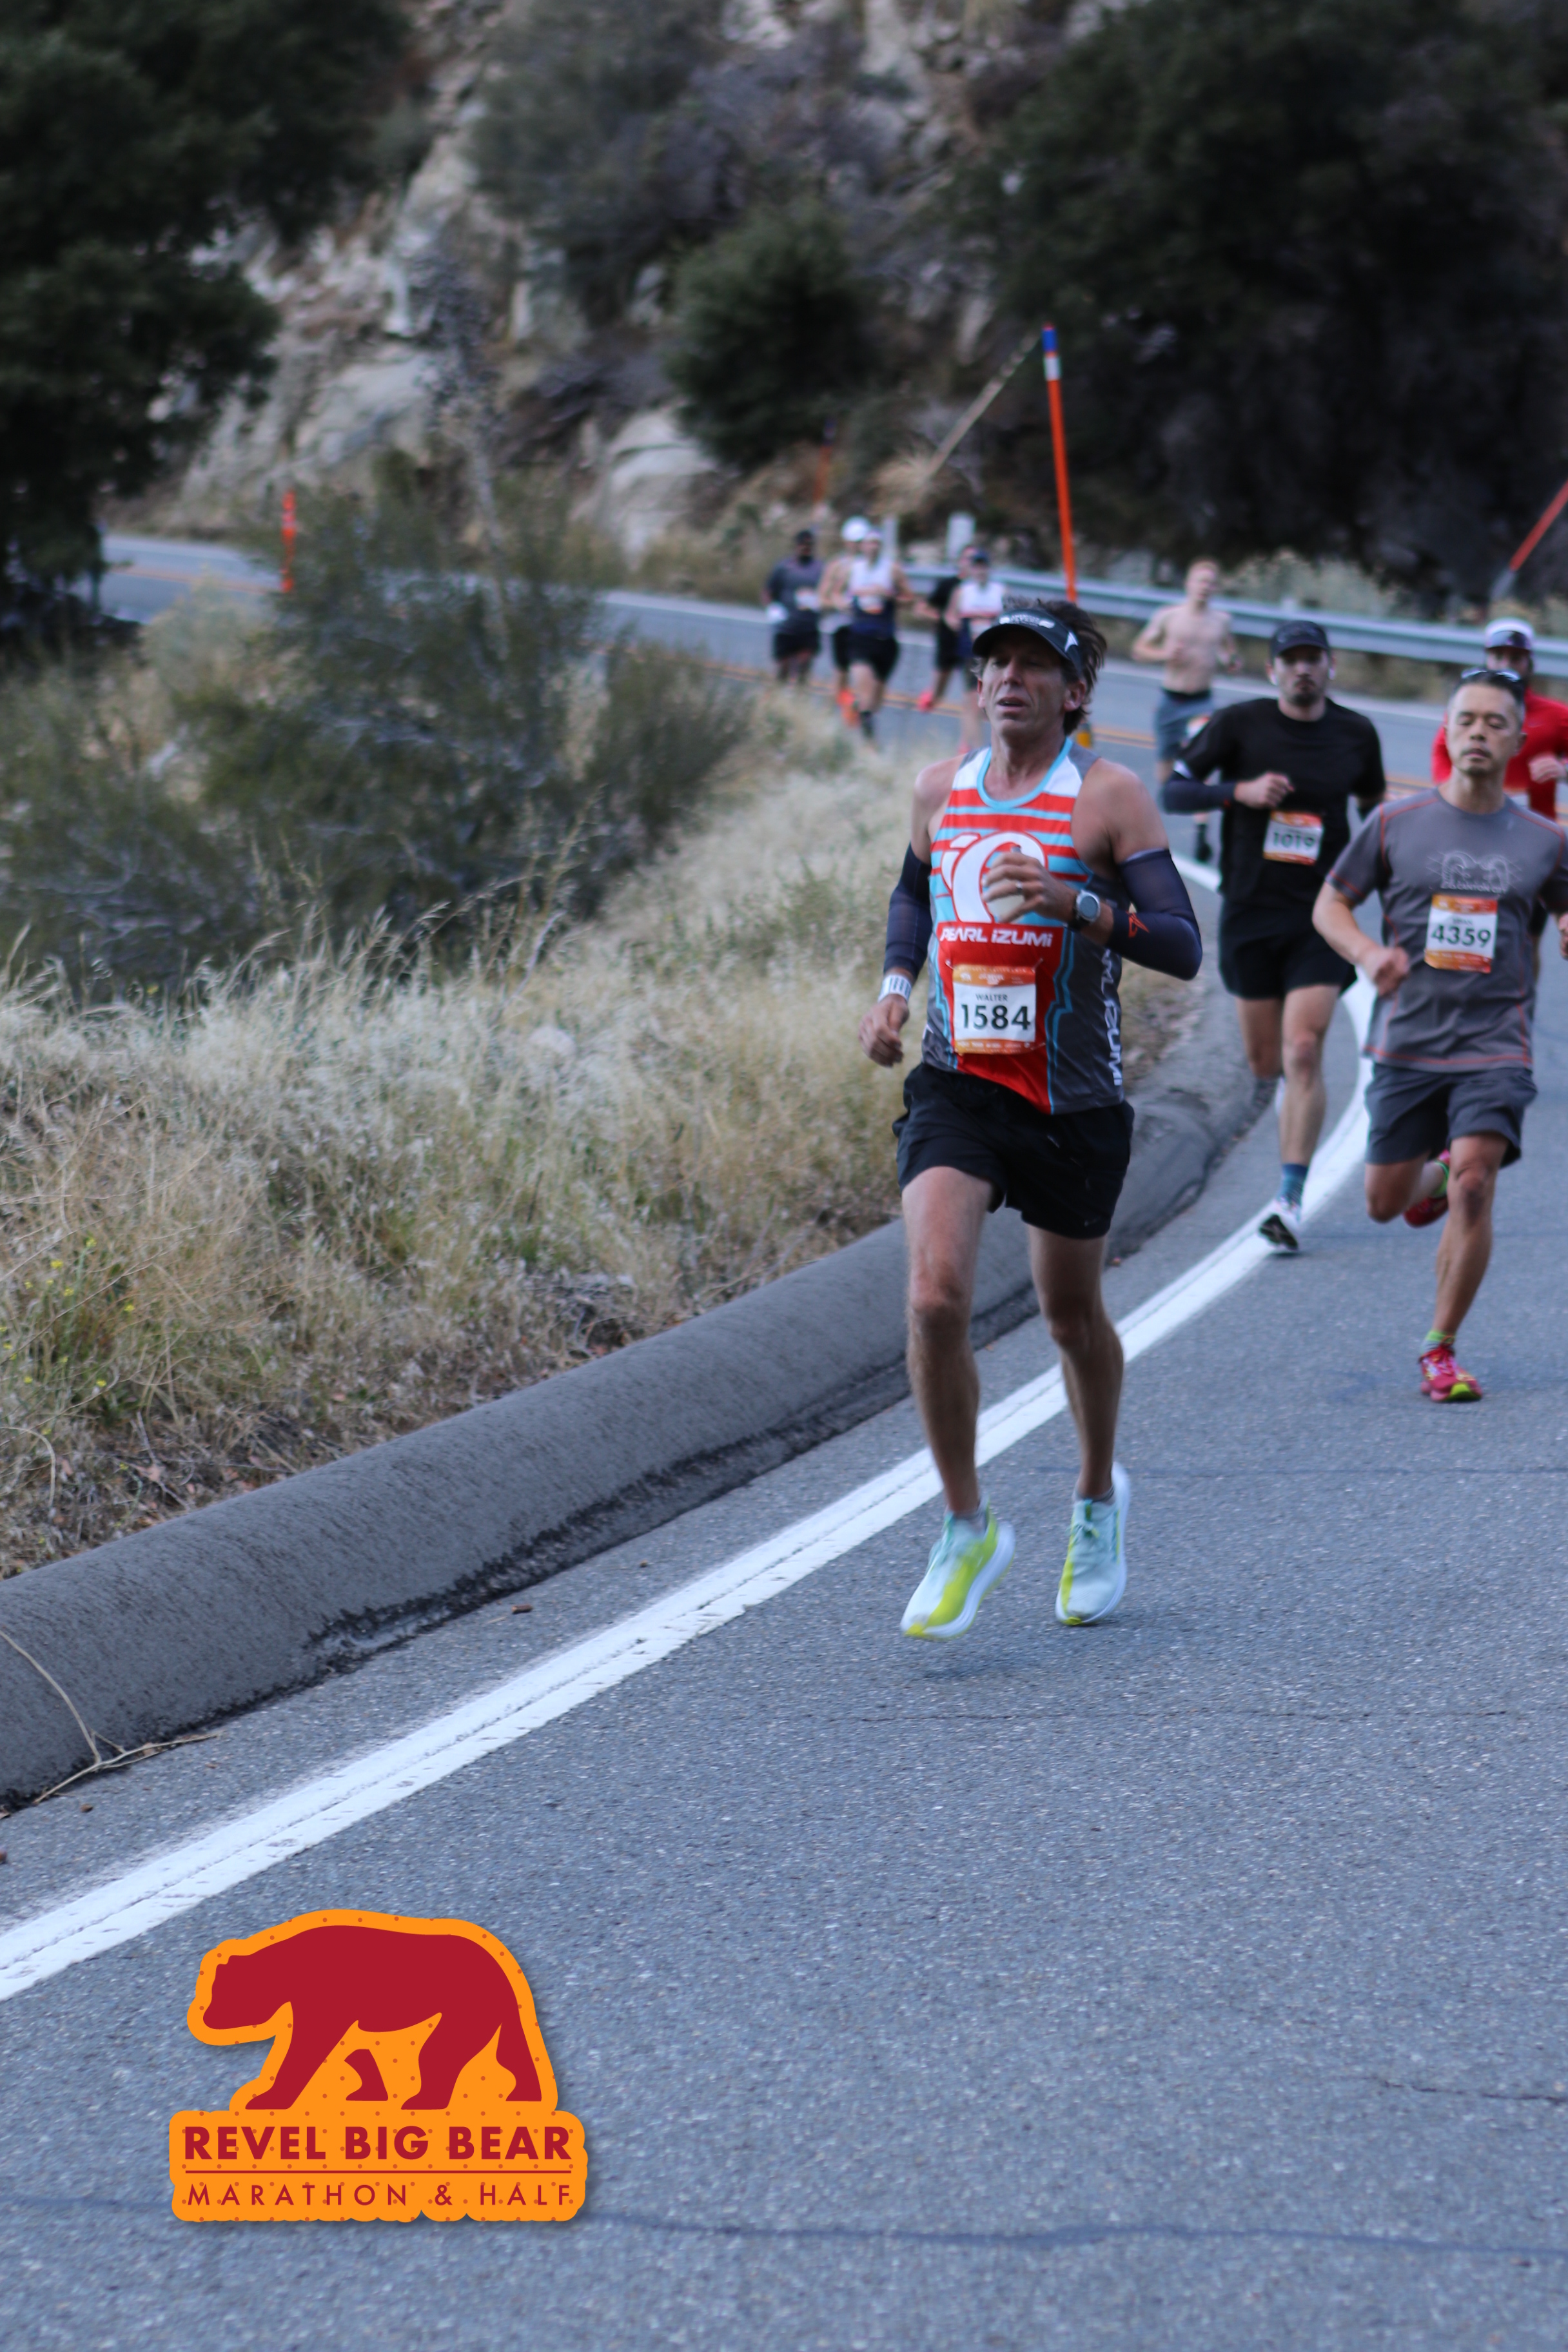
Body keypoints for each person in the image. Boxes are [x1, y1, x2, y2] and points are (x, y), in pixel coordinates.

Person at [858, 600, 1202, 1642]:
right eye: (994, 663)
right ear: (977, 684)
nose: (1009, 678)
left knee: (1069, 1318)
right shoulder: (939, 789)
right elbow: (913, 894)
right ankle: (966, 1525)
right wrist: (893, 987)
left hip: (1071, 1100)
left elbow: (1182, 943)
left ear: (1074, 691)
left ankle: (1095, 1498)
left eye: (1033, 664)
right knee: (933, 1297)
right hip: (958, 1083)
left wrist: (1076, 902)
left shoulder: (1108, 797)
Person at [1313, 669, 1568, 1403]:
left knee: (1477, 1182)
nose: (1479, 733)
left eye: (1495, 723)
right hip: (1407, 1041)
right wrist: (1367, 955)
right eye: (1467, 721)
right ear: (1446, 733)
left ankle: (1440, 1347)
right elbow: (1330, 905)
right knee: (1383, 1202)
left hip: (1496, 1040)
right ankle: (1433, 1175)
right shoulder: (1395, 823)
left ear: (1517, 740)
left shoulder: (1545, 839)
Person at [1163, 619, 1384, 1253]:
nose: (1302, 669)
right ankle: (1291, 1127)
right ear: (1272, 670)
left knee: (1303, 1050)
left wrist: (1391, 876)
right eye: (1290, 659)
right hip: (1250, 912)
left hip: (1322, 915)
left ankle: (1289, 1197)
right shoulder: (1239, 724)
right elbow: (1174, 792)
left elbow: (1374, 812)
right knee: (1266, 1064)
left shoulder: (1356, 733)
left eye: (1313, 658)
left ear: (1329, 666)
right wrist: (1240, 791)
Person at [1430, 618, 1568, 972]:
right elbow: (1442, 752)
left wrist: (1563, 768)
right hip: (1469, 837)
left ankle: (1521, 1001)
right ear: (1486, 659)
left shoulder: (1555, 716)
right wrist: (1455, 788)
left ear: (1530, 663)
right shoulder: (1469, 713)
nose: (1507, 664)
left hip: (1531, 847)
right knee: (1462, 926)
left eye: (1516, 658)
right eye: (1499, 656)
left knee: (1524, 941)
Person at [1132, 560, 1240, 864]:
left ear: (1215, 588)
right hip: (1172, 699)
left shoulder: (1221, 621)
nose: (1205, 587)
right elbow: (1139, 650)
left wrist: (1231, 662)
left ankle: (1201, 834)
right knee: (1167, 771)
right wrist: (1164, 653)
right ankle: (1153, 832)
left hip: (1201, 702)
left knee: (1200, 764)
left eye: (1210, 582)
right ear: (1189, 584)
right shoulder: (1169, 616)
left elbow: (1229, 652)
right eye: (1200, 581)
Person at [830, 525, 912, 742]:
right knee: (866, 697)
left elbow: (910, 598)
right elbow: (836, 592)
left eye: (877, 543)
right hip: (859, 638)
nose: (873, 547)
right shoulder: (852, 569)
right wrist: (842, 604)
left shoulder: (892, 570)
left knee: (875, 703)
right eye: (869, 543)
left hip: (886, 639)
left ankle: (856, 709)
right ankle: (869, 746)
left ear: (881, 547)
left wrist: (890, 596)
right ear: (862, 547)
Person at [945, 549, 1006, 752]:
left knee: (991, 701)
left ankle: (966, 742)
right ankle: (978, 749)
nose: (980, 571)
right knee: (974, 699)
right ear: (971, 570)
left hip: (994, 655)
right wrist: (956, 625)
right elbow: (950, 615)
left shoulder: (1000, 591)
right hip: (971, 654)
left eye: (983, 567)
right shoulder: (963, 591)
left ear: (989, 569)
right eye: (977, 567)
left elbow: (1009, 617)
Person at [821, 516, 871, 725]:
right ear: (846, 542)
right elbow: (822, 597)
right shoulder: (837, 566)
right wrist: (838, 603)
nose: (858, 546)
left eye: (862, 541)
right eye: (855, 541)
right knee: (841, 675)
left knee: (864, 675)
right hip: (842, 626)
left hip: (866, 628)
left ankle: (855, 713)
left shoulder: (873, 566)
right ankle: (830, 717)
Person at [915, 545, 971, 713]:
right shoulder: (949, 585)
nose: (971, 563)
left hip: (970, 644)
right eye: (967, 559)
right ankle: (929, 700)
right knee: (940, 688)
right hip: (948, 641)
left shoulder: (981, 587)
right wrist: (943, 618)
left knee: (972, 688)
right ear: (960, 562)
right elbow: (921, 609)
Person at [765, 528, 823, 685]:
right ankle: (776, 695)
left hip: (808, 627)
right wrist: (772, 609)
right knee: (782, 669)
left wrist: (822, 604)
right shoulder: (784, 567)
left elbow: (827, 591)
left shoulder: (819, 568)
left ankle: (799, 696)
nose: (805, 548)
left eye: (809, 545)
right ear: (796, 546)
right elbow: (768, 591)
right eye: (802, 545)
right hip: (786, 627)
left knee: (804, 666)